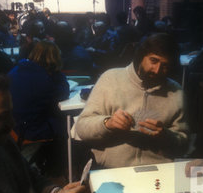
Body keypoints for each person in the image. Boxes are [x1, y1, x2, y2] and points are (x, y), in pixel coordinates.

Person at [75, 33, 189, 168]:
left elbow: (184, 145)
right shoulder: (110, 79)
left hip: (158, 170)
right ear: (141, 56)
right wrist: (108, 123)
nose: (157, 70)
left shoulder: (176, 92)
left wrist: (166, 136)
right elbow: (81, 128)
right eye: (153, 61)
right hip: (112, 168)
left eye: (165, 66)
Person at [8, 40, 69, 141]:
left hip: (13, 128)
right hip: (31, 131)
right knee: (69, 122)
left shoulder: (15, 70)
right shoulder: (43, 79)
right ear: (55, 59)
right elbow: (64, 93)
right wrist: (58, 73)